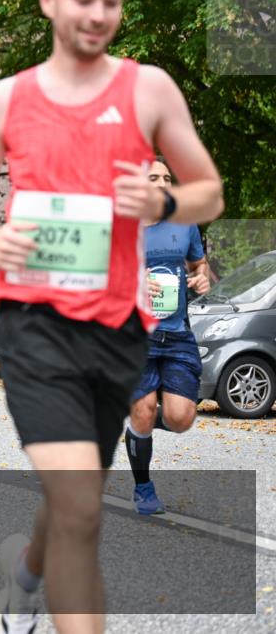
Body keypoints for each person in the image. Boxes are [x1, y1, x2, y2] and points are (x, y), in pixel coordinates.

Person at [0, 0, 224, 632]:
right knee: (80, 507)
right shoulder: (7, 99)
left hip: (116, 324)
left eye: (112, 1)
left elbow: (207, 188)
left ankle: (25, 578)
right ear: (48, 0)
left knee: (78, 500)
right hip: (36, 323)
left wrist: (164, 200)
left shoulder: (149, 89)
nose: (98, 14)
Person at [125, 160, 210, 515]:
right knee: (144, 413)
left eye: (167, 178)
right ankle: (143, 488)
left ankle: (137, 423)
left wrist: (202, 278)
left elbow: (199, 266)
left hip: (176, 337)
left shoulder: (184, 223)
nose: (162, 183)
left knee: (181, 418)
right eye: (153, 178)